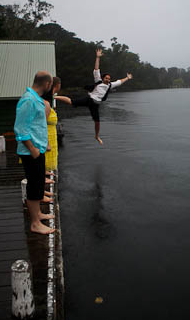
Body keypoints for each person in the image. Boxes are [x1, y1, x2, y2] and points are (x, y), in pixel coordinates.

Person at [56, 49, 133, 144]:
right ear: (103, 78)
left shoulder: (110, 85)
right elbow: (96, 69)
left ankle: (97, 136)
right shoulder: (98, 81)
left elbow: (119, 82)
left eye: (109, 79)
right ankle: (55, 97)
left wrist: (127, 78)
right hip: (89, 99)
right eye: (106, 78)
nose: (108, 80)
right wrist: (97, 57)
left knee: (97, 122)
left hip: (95, 105)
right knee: (71, 102)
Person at [14, 71, 55, 235]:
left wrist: (42, 146)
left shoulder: (35, 99)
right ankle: (35, 224)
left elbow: (36, 126)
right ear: (47, 84)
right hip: (31, 152)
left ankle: (37, 214)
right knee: (33, 186)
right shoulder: (28, 100)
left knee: (38, 184)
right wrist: (33, 149)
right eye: (50, 85)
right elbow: (20, 128)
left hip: (38, 149)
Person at [43, 77, 61, 172]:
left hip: (50, 135)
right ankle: (43, 175)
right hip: (46, 138)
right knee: (45, 159)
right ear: (57, 85)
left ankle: (45, 173)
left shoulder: (50, 98)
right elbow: (41, 123)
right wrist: (46, 143)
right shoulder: (46, 101)